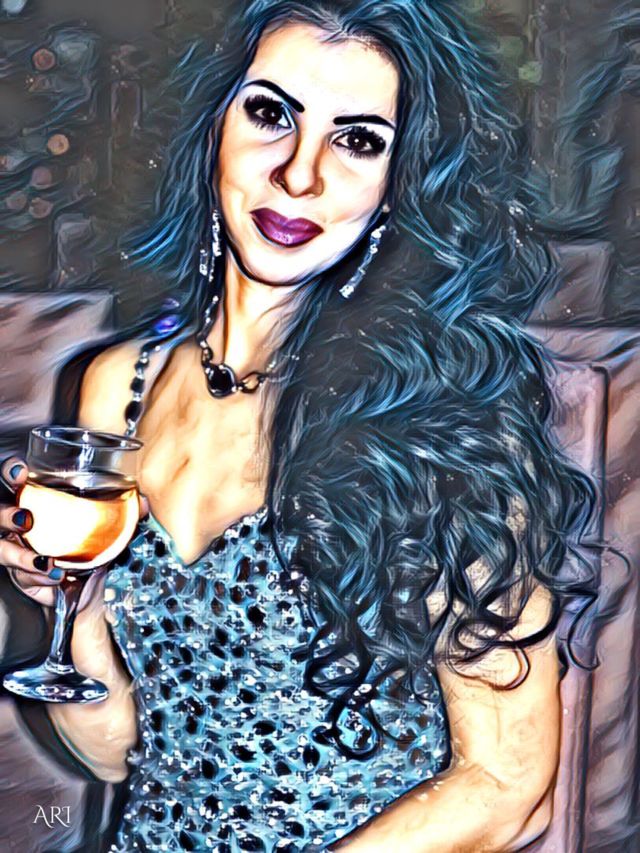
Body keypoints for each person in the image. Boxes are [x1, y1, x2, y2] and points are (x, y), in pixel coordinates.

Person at [0, 1, 596, 851]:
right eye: (271, 113)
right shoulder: (117, 389)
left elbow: (507, 786)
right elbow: (115, 754)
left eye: (357, 140)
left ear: (399, 183)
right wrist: (77, 609)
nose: (300, 175)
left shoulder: (439, 419)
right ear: (212, 126)